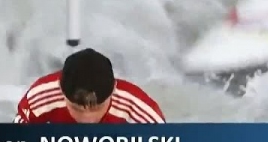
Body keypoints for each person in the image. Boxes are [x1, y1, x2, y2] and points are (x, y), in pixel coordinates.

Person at [14, 47, 165, 123]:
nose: (87, 120)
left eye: (97, 108)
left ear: (114, 91)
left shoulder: (141, 114)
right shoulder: (40, 99)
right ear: (61, 91)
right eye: (76, 108)